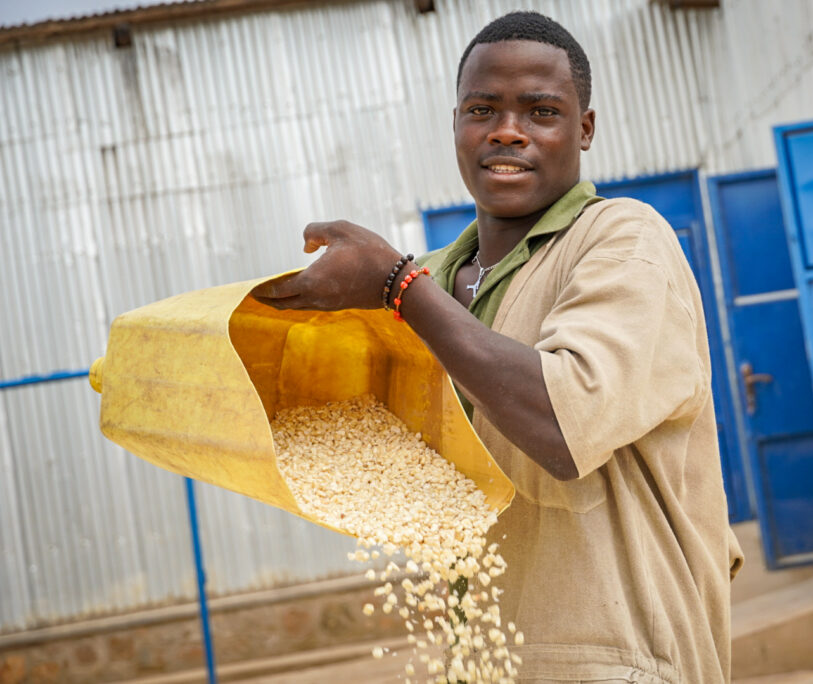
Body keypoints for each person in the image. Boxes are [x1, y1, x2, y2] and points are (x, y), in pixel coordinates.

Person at [254, 10, 743, 683]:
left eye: (541, 111)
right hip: (492, 660)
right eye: (482, 109)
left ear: (586, 129)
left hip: (621, 657)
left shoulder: (624, 241)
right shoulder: (437, 281)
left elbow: (564, 425)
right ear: (456, 125)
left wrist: (398, 285)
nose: (507, 131)